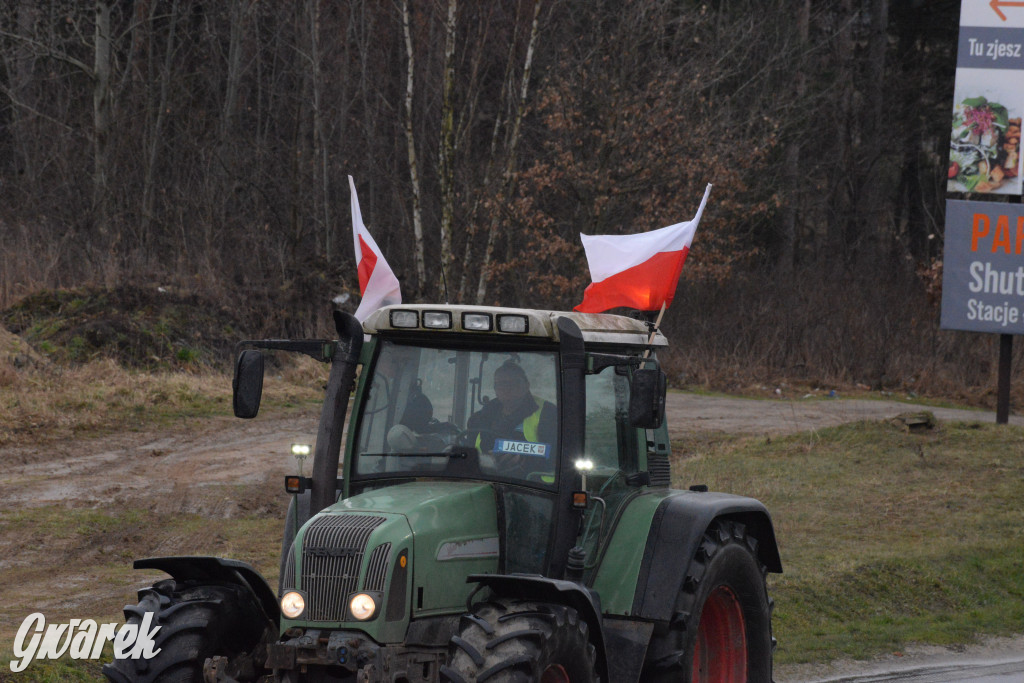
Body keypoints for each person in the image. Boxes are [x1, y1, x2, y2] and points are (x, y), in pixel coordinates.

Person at [467, 361, 557, 479]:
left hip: (533, 486)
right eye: (501, 384)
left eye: (513, 383)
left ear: (526, 385)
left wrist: (523, 459)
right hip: (486, 482)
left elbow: (557, 455)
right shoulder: (480, 417)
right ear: (495, 389)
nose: (506, 389)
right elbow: (468, 453)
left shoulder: (548, 413)